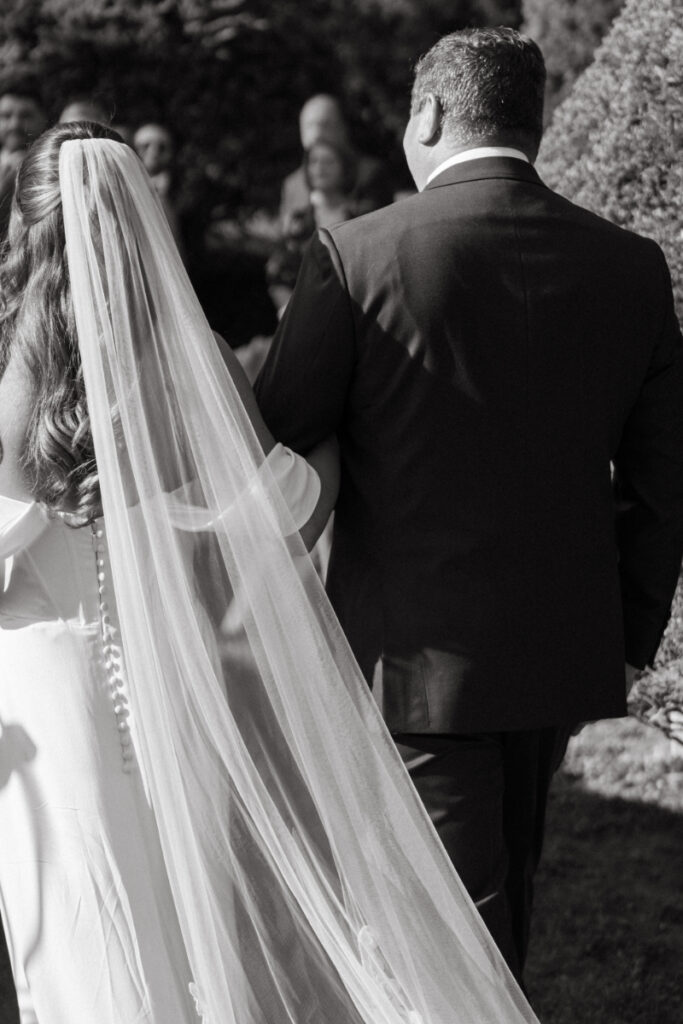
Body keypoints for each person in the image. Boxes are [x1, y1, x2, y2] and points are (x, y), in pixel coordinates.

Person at [0, 120, 539, 1024]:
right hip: (172, 682)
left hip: (44, 693)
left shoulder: (8, 376)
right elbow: (286, 512)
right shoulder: (186, 356)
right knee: (192, 923)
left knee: (87, 932)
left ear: (23, 224)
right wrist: (328, 440)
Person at [255, 27, 683, 985]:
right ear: (527, 124)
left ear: (432, 114)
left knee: (455, 950)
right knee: (499, 915)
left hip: (412, 662)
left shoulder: (359, 257)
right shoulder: (630, 264)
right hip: (558, 650)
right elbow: (662, 480)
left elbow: (277, 424)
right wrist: (625, 631)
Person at [279, 94, 392, 226]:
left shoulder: (371, 175)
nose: (317, 134)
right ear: (301, 133)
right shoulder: (292, 185)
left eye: (325, 125)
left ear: (342, 129)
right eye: (310, 126)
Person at [0, 76, 46, 242]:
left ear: (43, 117)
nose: (15, 125)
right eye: (6, 116)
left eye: (25, 116)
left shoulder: (54, 167)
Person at [133, 121, 185, 252]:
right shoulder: (124, 186)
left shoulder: (183, 188)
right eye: (145, 146)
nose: (154, 152)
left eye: (161, 147)